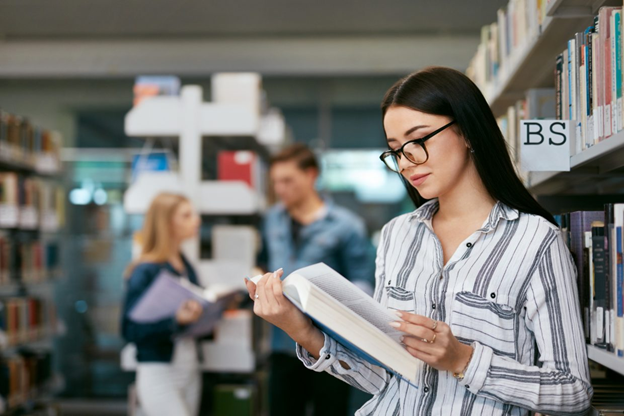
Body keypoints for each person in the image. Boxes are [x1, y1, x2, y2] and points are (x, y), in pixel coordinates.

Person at [245, 67, 593, 415]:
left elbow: (573, 390)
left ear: (468, 132)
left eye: (419, 140)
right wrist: (299, 328)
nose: (407, 162)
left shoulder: (536, 240)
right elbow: (383, 378)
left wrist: (464, 359)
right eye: (396, 150)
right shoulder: (398, 234)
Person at [257, 143, 375, 416]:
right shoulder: (272, 220)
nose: (280, 189)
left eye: (287, 180)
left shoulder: (347, 226)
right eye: (275, 182)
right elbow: (263, 259)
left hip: (329, 347)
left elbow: (362, 284)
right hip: (282, 343)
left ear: (311, 175)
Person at [121, 193, 203, 416]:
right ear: (167, 223)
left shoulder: (186, 265)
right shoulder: (145, 271)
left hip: (189, 366)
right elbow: (129, 330)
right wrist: (174, 321)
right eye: (186, 215)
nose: (197, 220)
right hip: (159, 371)